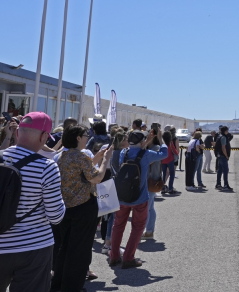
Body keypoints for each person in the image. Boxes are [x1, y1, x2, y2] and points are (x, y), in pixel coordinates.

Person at [0, 112, 66, 292]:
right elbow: (56, 216)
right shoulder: (47, 167)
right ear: (44, 136)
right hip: (34, 247)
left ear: (17, 133)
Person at [51, 125, 113, 292]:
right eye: (85, 135)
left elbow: (79, 171)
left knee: (64, 248)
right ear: (78, 137)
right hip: (83, 208)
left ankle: (58, 285)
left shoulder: (60, 156)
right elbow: (97, 178)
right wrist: (105, 159)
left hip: (65, 208)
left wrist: (97, 157)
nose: (87, 137)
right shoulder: (80, 156)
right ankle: (72, 287)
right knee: (79, 251)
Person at [109, 129, 168, 269]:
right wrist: (161, 140)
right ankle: (128, 257)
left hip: (122, 197)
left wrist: (144, 140)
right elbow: (164, 154)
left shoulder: (125, 152)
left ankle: (114, 256)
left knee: (118, 226)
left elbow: (137, 149)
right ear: (142, 142)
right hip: (140, 198)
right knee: (137, 228)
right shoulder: (147, 154)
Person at [144, 128, 164, 238]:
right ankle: (149, 231)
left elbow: (147, 160)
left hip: (151, 180)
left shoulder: (155, 148)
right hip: (149, 180)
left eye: (146, 137)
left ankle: (147, 231)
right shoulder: (149, 147)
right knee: (150, 207)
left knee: (147, 207)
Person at [214, 126, 233, 190]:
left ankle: (218, 184)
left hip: (219, 155)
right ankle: (225, 185)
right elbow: (223, 148)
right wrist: (226, 156)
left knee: (220, 170)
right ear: (225, 131)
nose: (228, 131)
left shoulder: (219, 136)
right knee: (225, 170)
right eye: (227, 130)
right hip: (223, 156)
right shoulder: (223, 137)